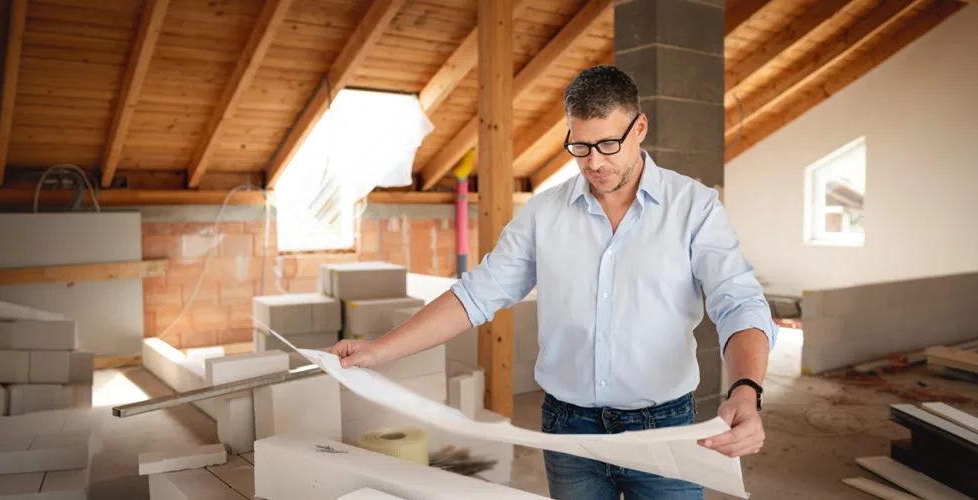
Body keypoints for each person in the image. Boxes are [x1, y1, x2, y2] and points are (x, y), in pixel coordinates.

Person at [328, 65, 777, 500]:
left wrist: (746, 390)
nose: (594, 163)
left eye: (607, 144)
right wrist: (378, 350)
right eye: (579, 146)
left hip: (665, 425)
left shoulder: (694, 208)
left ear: (640, 127)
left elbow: (738, 303)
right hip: (569, 430)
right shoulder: (545, 213)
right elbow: (476, 295)